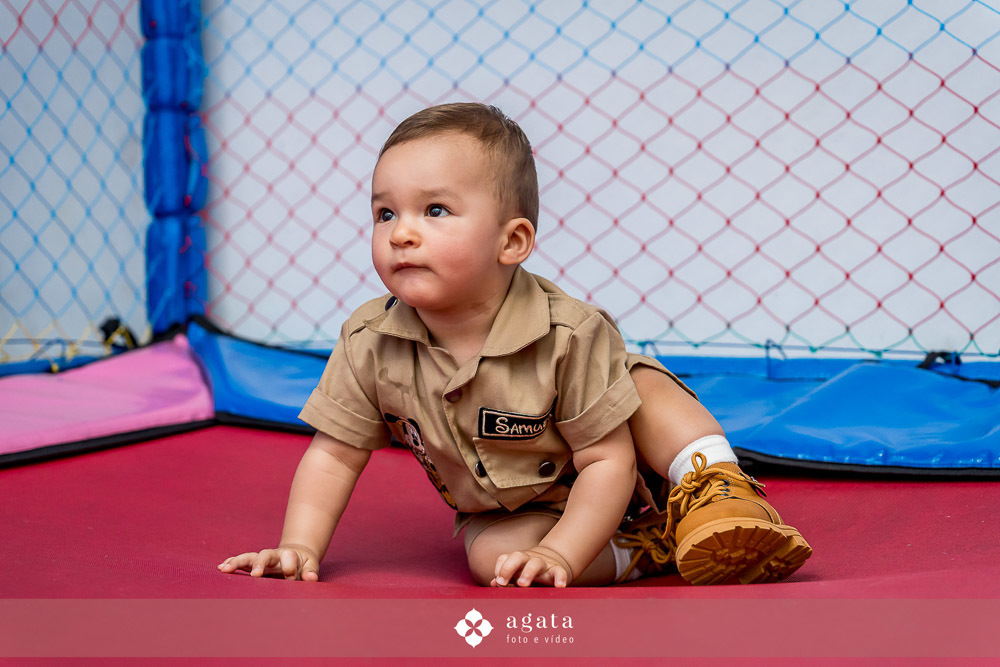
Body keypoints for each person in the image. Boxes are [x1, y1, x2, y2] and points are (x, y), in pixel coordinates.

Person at [218, 102, 812, 587]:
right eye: (383, 213)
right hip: (521, 504)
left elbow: (608, 461)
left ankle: (716, 490)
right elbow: (333, 455)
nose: (401, 232)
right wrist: (298, 545)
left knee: (642, 385)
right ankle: (652, 546)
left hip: (626, 465)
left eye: (435, 210)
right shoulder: (368, 341)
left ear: (513, 241)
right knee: (493, 562)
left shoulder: (569, 332)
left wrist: (567, 548)